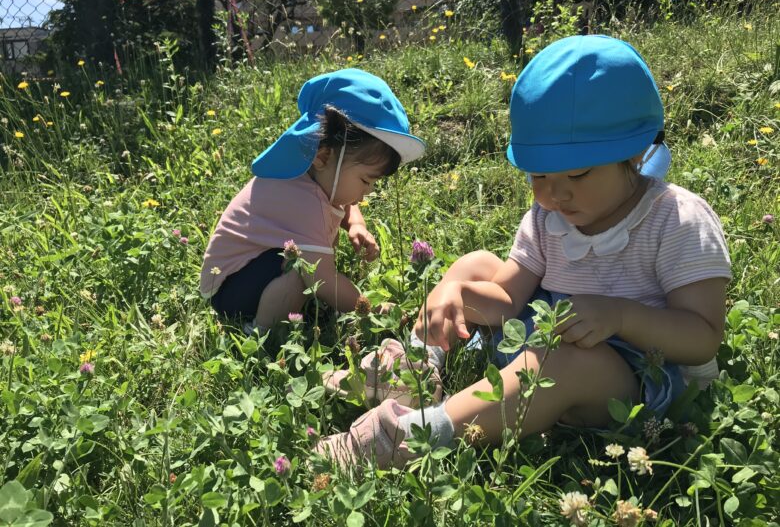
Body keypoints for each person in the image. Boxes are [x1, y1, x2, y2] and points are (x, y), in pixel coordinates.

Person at [316, 35, 731, 469]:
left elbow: (702, 338)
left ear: (635, 153)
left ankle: (421, 433)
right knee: (473, 265)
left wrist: (621, 316)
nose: (553, 194)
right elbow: (510, 299)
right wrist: (454, 293)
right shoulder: (548, 216)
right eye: (538, 176)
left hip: (629, 375)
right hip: (541, 336)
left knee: (567, 361)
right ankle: (416, 367)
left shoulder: (675, 218)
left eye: (577, 173)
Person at [200, 69, 426, 331]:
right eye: (366, 181)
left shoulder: (311, 174)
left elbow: (347, 205)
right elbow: (327, 282)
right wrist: (373, 311)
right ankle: (261, 330)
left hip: (254, 268)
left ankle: (292, 306)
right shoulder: (302, 204)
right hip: (231, 288)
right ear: (323, 155)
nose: (367, 192)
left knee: (303, 264)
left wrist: (356, 225)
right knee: (300, 269)